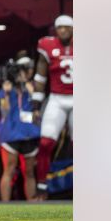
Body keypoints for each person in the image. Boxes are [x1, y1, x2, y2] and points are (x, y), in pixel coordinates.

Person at [32, 15, 74, 199]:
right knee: (45, 143)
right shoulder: (47, 46)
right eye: (59, 28)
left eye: (66, 27)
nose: (62, 31)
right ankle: (42, 185)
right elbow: (40, 77)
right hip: (57, 98)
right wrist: (36, 105)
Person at [0, 56, 40, 201]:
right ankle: (5, 207)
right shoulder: (6, 90)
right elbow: (5, 112)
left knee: (29, 172)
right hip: (11, 133)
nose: (26, 73)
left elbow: (38, 113)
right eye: (23, 70)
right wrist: (7, 93)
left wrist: (32, 91)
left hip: (30, 133)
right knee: (9, 169)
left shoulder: (33, 87)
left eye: (28, 70)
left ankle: (33, 205)